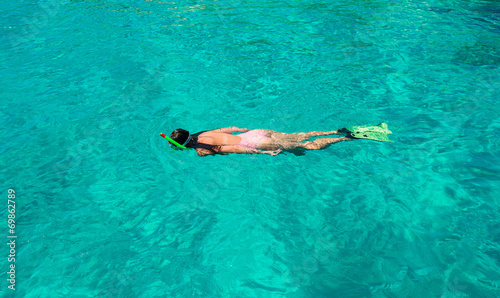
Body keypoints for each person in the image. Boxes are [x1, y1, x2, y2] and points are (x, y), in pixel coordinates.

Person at [164, 127, 353, 156]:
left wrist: (261, 152)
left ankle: (344, 138)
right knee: (297, 137)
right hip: (256, 132)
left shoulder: (201, 151)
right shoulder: (204, 132)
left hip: (255, 144)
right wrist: (246, 129)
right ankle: (335, 130)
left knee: (305, 146)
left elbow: (233, 148)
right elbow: (230, 129)